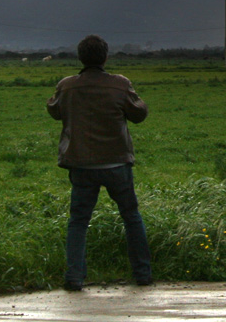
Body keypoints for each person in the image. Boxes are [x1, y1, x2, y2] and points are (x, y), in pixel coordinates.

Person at [47, 34, 152, 291]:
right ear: (105, 57)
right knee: (131, 217)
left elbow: (54, 110)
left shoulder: (67, 85)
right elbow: (138, 114)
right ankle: (143, 274)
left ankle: (74, 277)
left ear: (80, 57)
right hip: (116, 162)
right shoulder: (120, 84)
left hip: (81, 164)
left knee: (78, 221)